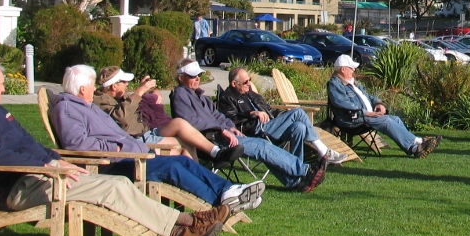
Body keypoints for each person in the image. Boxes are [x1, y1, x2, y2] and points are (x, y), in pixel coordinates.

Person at [0, 62, 226, 236]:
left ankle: (184, 224)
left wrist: (58, 162)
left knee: (120, 185)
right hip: (22, 186)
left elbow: (31, 145)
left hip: (45, 174)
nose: (2, 88)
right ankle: (182, 229)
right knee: (115, 186)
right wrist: (47, 167)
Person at [53, 64, 263, 213]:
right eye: (90, 86)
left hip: (133, 154)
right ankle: (221, 201)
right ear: (82, 89)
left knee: (181, 161)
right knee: (172, 168)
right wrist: (116, 147)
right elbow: (77, 144)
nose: (93, 89)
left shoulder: (85, 106)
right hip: (115, 164)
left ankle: (227, 190)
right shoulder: (67, 109)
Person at [171, 59, 327, 192]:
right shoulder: (180, 95)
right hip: (211, 141)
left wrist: (229, 127)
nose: (197, 78)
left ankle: (296, 182)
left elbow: (219, 116)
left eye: (198, 74)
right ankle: (305, 170)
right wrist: (222, 130)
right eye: (192, 76)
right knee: (262, 146)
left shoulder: (200, 97)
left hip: (225, 135)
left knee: (264, 145)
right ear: (180, 77)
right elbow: (190, 122)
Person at [92, 65, 243, 167]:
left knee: (179, 123)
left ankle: (215, 153)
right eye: (124, 82)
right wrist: (139, 91)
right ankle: (203, 171)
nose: (126, 85)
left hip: (147, 132)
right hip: (136, 140)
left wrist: (150, 91)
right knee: (186, 144)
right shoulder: (100, 102)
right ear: (113, 86)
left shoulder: (117, 97)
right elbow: (122, 118)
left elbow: (131, 104)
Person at [217, 66, 352, 166]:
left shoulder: (249, 93)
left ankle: (297, 167)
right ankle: (323, 151)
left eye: (249, 80)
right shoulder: (227, 97)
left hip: (270, 124)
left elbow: (268, 109)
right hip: (255, 130)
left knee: (299, 127)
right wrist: (252, 113)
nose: (249, 84)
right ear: (234, 84)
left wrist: (281, 115)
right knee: (298, 112)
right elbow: (230, 120)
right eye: (245, 82)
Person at [327, 55, 440, 157]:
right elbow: (343, 103)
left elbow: (368, 96)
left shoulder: (353, 82)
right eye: (351, 67)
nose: (354, 70)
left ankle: (413, 147)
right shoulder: (335, 84)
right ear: (343, 69)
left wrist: (378, 103)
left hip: (366, 116)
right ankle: (417, 143)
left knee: (395, 119)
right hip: (352, 120)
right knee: (385, 121)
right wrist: (366, 112)